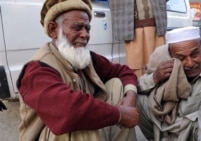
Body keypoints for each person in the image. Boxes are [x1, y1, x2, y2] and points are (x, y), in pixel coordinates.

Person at [16, 0, 139, 141]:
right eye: (77, 27)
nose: (85, 34)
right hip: (56, 136)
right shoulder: (36, 70)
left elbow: (124, 71)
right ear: (53, 30)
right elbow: (67, 110)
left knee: (117, 85)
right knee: (77, 123)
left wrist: (130, 98)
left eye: (87, 28)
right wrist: (120, 115)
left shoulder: (84, 58)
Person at [136, 26, 201, 141]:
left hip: (194, 132)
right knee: (136, 98)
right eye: (181, 58)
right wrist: (155, 78)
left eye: (194, 55)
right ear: (172, 57)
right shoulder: (167, 67)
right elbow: (137, 86)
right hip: (168, 128)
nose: (190, 63)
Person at [109, 0, 167, 77]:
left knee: (159, 62)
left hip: (157, 25)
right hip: (132, 28)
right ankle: (138, 87)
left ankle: (160, 87)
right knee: (136, 66)